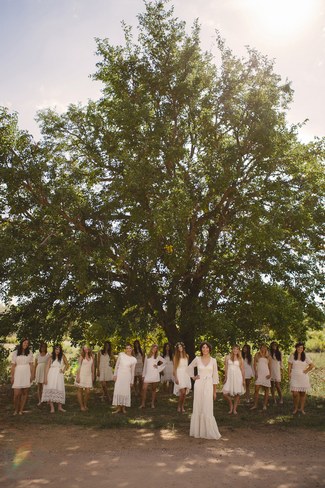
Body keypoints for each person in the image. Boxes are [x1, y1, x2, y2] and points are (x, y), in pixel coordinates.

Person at [187, 341, 221, 440]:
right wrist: (193, 377)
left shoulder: (213, 360)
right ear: (201, 349)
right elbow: (188, 368)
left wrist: (214, 392)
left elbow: (215, 377)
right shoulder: (197, 359)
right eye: (203, 347)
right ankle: (197, 431)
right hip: (199, 384)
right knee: (198, 405)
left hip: (209, 385)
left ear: (209, 349)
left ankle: (208, 431)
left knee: (207, 406)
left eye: (206, 347)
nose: (205, 349)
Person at [288, 342, 315, 415]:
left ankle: (301, 409)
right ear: (296, 348)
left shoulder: (305, 356)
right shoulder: (292, 355)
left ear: (303, 349)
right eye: (299, 347)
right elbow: (289, 365)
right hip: (294, 375)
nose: (300, 349)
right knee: (295, 393)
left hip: (303, 377)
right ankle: (295, 408)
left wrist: (306, 371)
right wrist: (289, 374)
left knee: (303, 393)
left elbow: (312, 365)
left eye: (302, 348)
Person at [42, 344, 69, 413]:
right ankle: (52, 408)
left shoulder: (62, 356)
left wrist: (63, 370)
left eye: (59, 349)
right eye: (56, 349)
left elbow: (67, 364)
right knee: (51, 389)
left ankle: (60, 407)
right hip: (51, 374)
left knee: (59, 388)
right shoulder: (51, 357)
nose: (57, 351)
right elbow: (47, 368)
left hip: (59, 375)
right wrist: (45, 378)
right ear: (54, 350)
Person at [11, 338, 34, 415]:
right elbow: (13, 365)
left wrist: (32, 375)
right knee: (16, 394)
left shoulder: (30, 353)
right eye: (24, 343)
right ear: (21, 343)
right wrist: (12, 376)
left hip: (26, 372)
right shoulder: (15, 353)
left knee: (25, 392)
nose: (26, 344)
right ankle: (15, 409)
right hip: (18, 373)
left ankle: (21, 410)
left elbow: (31, 364)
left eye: (27, 344)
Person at [112, 343, 137, 414]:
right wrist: (115, 375)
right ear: (125, 349)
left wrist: (132, 381)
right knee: (118, 390)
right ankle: (118, 408)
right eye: (127, 348)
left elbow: (132, 371)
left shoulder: (133, 359)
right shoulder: (121, 355)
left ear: (132, 349)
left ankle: (123, 408)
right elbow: (116, 365)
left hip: (127, 377)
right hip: (119, 376)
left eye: (130, 348)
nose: (128, 349)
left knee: (125, 391)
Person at [140, 344, 165, 409]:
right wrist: (143, 375)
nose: (154, 349)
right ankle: (143, 404)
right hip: (148, 374)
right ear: (151, 348)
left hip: (155, 374)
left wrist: (158, 367)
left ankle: (152, 404)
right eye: (154, 348)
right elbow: (145, 366)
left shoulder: (158, 356)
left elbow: (165, 362)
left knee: (154, 389)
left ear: (157, 350)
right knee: (144, 388)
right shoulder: (147, 356)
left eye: (156, 348)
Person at [222, 345, 245, 415]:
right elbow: (226, 368)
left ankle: (234, 409)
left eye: (237, 349)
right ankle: (231, 404)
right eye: (234, 349)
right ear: (232, 349)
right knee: (225, 393)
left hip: (238, 377)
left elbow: (242, 370)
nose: (235, 350)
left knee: (237, 393)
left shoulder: (240, 359)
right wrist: (225, 377)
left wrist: (243, 380)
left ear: (239, 351)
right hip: (229, 377)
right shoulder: (227, 357)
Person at [251, 344, 271, 411]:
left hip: (266, 373)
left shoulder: (268, 356)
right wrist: (256, 373)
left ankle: (264, 405)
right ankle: (255, 405)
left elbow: (270, 366)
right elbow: (254, 365)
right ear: (260, 348)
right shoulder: (257, 355)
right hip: (259, 373)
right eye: (262, 347)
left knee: (266, 390)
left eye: (264, 347)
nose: (263, 348)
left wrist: (270, 374)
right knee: (256, 389)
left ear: (266, 348)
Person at [75, 345, 95, 411]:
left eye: (87, 348)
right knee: (80, 390)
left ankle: (85, 404)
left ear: (89, 349)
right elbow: (79, 367)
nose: (86, 349)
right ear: (83, 349)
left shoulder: (92, 356)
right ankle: (81, 406)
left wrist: (93, 375)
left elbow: (93, 367)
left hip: (88, 375)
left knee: (88, 391)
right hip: (81, 375)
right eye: (85, 348)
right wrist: (78, 376)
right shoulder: (81, 356)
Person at [173, 342, 191, 413]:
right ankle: (179, 406)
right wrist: (176, 378)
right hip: (179, 374)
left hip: (186, 375)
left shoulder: (187, 356)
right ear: (177, 349)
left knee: (184, 393)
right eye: (178, 347)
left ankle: (182, 406)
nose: (180, 348)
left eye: (181, 347)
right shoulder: (175, 357)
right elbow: (174, 368)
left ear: (183, 347)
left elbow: (187, 366)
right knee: (182, 392)